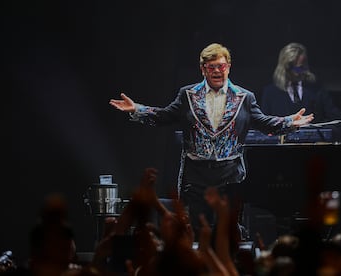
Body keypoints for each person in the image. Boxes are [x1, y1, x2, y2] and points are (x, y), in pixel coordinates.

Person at [109, 42, 314, 241]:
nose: (217, 71)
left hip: (230, 176)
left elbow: (264, 122)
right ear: (203, 69)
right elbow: (163, 116)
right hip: (196, 176)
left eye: (221, 66)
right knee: (197, 231)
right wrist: (137, 109)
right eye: (211, 67)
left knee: (228, 232)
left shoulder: (244, 97)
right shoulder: (187, 95)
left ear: (229, 67)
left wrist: (290, 122)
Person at [261, 42, 341, 123]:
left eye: (300, 67)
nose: (296, 72)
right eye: (292, 67)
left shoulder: (317, 89)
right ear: (284, 66)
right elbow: (264, 125)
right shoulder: (270, 92)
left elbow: (336, 118)